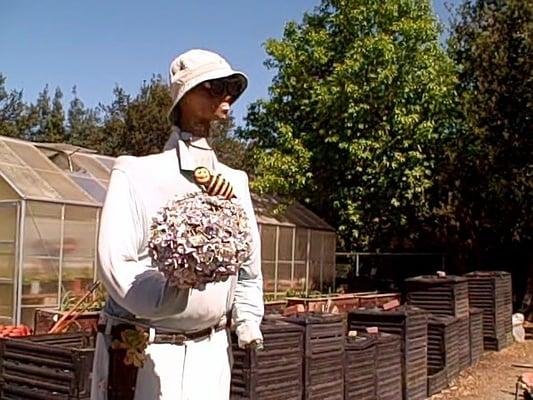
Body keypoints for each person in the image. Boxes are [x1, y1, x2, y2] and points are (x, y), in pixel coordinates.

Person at [90, 49, 264, 400]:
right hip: (147, 360)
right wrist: (179, 283)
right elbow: (116, 264)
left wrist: (247, 321)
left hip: (213, 355)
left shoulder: (236, 182)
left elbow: (248, 268)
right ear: (185, 96)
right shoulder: (136, 174)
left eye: (231, 86)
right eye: (215, 86)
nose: (227, 94)